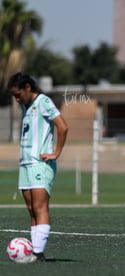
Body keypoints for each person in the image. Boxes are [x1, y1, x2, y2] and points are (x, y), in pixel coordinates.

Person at [7, 72, 69, 262]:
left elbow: (63, 126)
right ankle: (34, 252)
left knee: (40, 207)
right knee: (31, 209)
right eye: (14, 96)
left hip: (40, 164)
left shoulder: (43, 101)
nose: (17, 99)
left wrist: (55, 153)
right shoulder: (27, 106)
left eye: (18, 94)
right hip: (25, 164)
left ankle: (38, 253)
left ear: (27, 87)